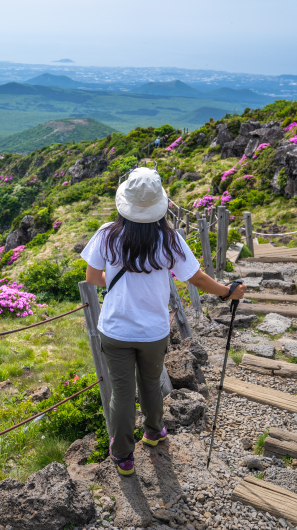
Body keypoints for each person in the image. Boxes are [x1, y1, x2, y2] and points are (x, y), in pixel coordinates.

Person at [80, 168, 246, 476]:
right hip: (153, 331)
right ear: (159, 205)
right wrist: (227, 292)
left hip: (115, 329)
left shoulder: (106, 234)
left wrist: (120, 280)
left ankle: (123, 458)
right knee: (151, 384)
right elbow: (194, 277)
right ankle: (154, 433)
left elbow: (92, 277)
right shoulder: (170, 239)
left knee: (120, 392)